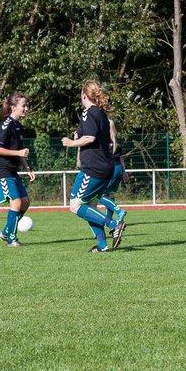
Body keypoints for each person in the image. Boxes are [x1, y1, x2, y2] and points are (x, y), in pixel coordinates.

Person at [62, 81, 117, 252]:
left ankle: (114, 224)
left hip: (93, 167)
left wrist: (72, 143)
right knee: (90, 207)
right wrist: (79, 135)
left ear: (84, 95)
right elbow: (92, 135)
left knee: (75, 206)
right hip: (106, 166)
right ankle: (102, 245)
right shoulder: (101, 114)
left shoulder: (88, 113)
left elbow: (90, 138)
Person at [0, 93, 35, 247]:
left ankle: (6, 231)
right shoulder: (6, 125)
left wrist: (27, 168)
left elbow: (19, 150)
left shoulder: (18, 126)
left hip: (12, 171)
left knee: (25, 203)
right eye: (24, 105)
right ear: (13, 107)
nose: (26, 108)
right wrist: (18, 153)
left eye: (26, 105)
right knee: (16, 204)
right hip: (1, 171)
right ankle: (11, 239)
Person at [97, 118, 128, 248]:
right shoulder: (117, 141)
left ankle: (119, 211)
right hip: (119, 169)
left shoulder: (104, 141)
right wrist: (125, 172)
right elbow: (120, 158)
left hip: (110, 169)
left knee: (99, 196)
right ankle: (110, 223)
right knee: (109, 196)